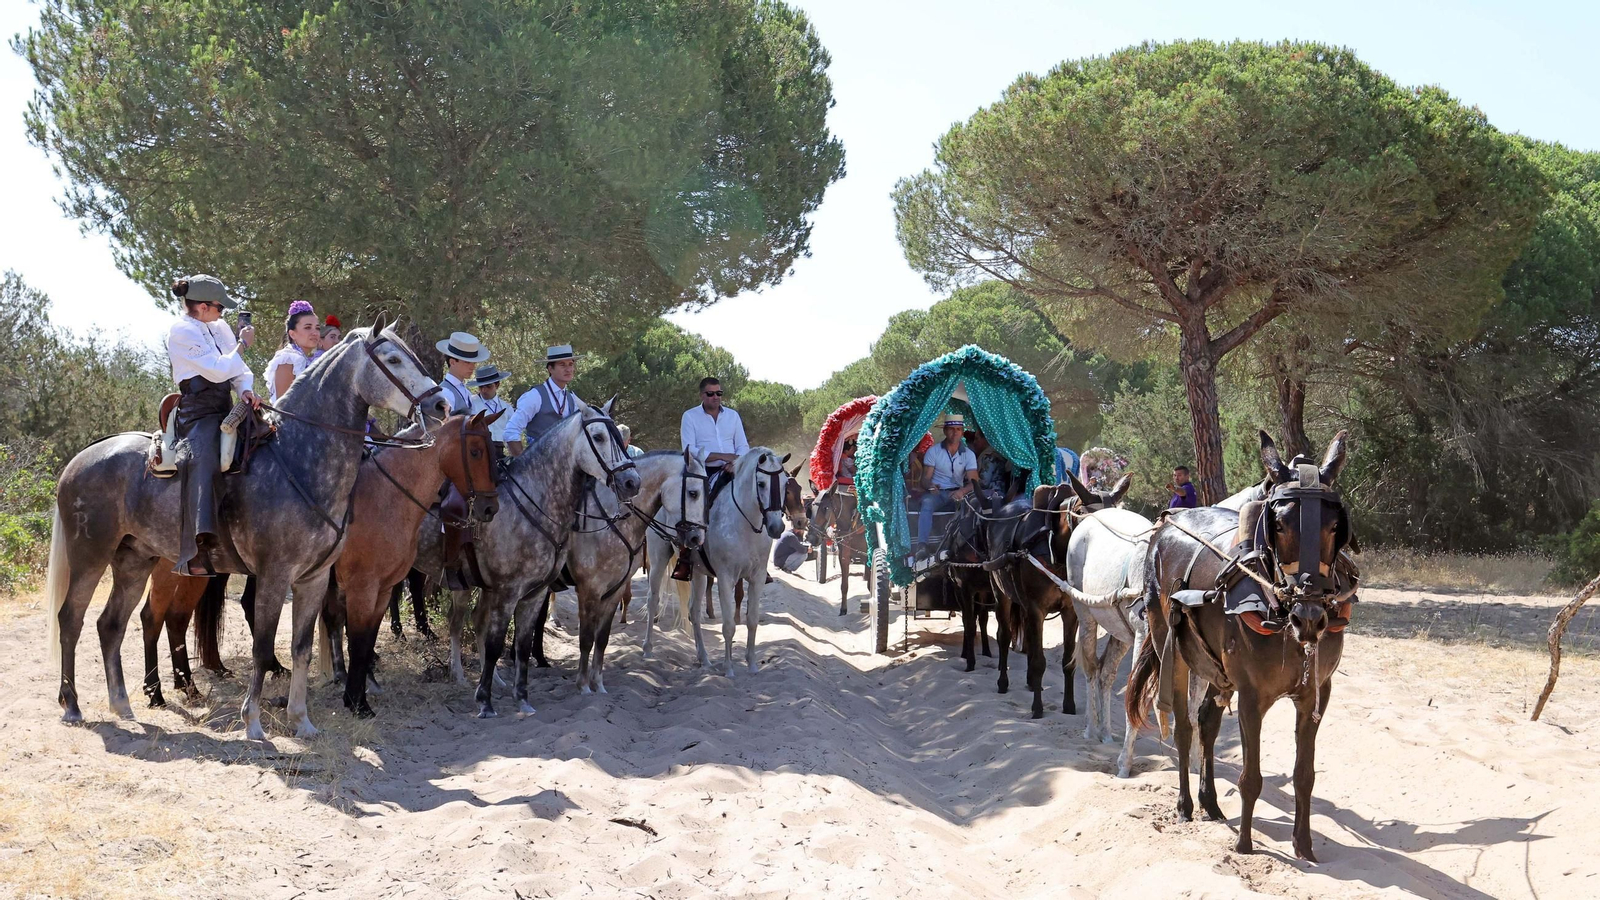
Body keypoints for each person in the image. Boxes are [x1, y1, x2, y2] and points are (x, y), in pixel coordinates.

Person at [165, 274, 257, 576]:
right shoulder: (180, 332)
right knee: (204, 458)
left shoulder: (217, 327)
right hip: (198, 411)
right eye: (220, 307)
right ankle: (197, 547)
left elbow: (236, 370)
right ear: (203, 306)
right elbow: (218, 370)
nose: (223, 312)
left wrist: (245, 388)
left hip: (225, 405)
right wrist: (243, 344)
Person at [914, 413, 978, 560]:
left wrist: (962, 491)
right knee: (927, 503)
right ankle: (921, 545)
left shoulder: (968, 454)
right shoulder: (934, 451)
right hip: (938, 494)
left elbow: (974, 482)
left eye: (958, 429)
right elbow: (925, 479)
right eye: (951, 429)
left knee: (973, 507)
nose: (954, 432)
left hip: (958, 494)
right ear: (945, 431)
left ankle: (968, 545)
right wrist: (930, 486)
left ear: (962, 432)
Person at [504, 344, 584, 455]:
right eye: (562, 365)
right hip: (537, 466)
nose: (568, 369)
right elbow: (511, 430)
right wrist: (522, 463)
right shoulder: (535, 396)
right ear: (550, 369)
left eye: (570, 364)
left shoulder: (573, 399)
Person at [680, 376, 748, 478]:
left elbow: (743, 446)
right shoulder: (690, 416)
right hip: (703, 473)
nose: (715, 397)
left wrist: (735, 463)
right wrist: (722, 456)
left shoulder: (733, 415)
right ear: (701, 395)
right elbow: (689, 450)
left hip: (733, 470)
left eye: (719, 393)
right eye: (710, 394)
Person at [262, 300, 320, 402]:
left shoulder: (310, 359)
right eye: (307, 327)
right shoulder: (288, 359)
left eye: (317, 328)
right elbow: (283, 407)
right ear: (292, 334)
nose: (314, 332)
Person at [435, 331, 491, 415]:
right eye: (467, 362)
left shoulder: (466, 392)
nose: (472, 367)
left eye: (474, 363)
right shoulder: (446, 393)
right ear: (452, 362)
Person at [465, 364, 512, 446]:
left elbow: (511, 433)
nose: (484, 390)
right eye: (481, 387)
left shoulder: (507, 408)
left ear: (497, 385)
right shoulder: (470, 404)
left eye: (488, 386)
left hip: (501, 451)